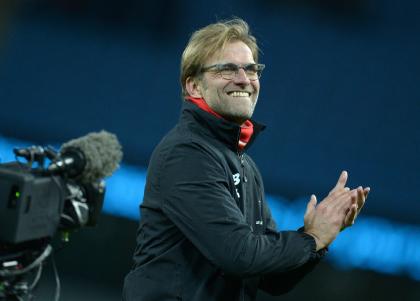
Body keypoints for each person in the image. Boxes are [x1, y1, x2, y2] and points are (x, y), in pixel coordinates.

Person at [123, 18, 370, 301]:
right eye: (227, 69)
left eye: (251, 69)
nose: (244, 79)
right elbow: (239, 255)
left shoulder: (245, 166)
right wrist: (310, 239)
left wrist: (322, 236)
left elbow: (271, 278)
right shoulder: (185, 153)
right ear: (194, 86)